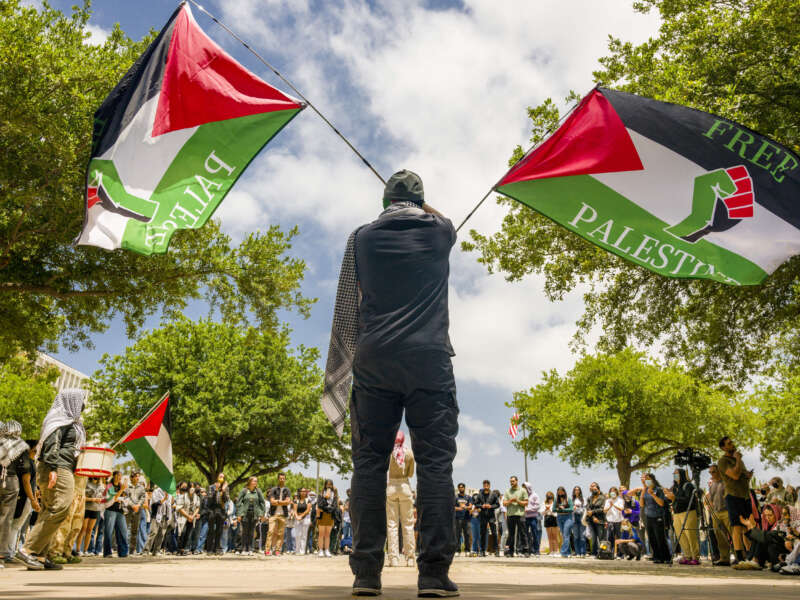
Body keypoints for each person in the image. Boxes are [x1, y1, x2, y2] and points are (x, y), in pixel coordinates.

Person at [321, 170, 459, 597]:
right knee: (435, 466)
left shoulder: (362, 238)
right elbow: (444, 219)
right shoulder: (440, 232)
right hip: (429, 360)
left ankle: (366, 575)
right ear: (421, 201)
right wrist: (419, 205)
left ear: (384, 201)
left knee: (368, 465)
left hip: (374, 359)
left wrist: (390, 210)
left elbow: (352, 296)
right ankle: (433, 576)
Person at [17, 389, 87, 571]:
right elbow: (51, 445)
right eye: (80, 401)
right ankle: (28, 550)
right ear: (71, 401)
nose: (83, 405)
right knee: (60, 507)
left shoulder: (70, 422)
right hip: (57, 468)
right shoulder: (59, 421)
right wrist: (53, 469)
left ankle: (40, 555)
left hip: (62, 467)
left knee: (49, 511)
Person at [717, 436, 753, 564]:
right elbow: (735, 475)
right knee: (737, 527)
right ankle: (739, 557)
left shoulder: (738, 461)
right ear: (723, 448)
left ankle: (750, 555)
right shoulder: (723, 461)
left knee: (747, 527)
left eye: (732, 442)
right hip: (733, 496)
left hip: (745, 496)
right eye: (729, 443)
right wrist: (738, 459)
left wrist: (748, 475)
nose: (732, 444)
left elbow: (742, 475)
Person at [0, 421, 30, 569]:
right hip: (10, 482)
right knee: (6, 519)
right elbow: (24, 468)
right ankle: (1, 555)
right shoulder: (21, 445)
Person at [5, 441, 39, 561]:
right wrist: (33, 499)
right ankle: (9, 553)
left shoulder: (27, 461)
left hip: (24, 497)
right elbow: (26, 482)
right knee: (16, 526)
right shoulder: (27, 463)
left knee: (15, 526)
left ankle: (9, 552)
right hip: (25, 498)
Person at [386, 431, 415, 567]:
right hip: (404, 486)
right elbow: (410, 473)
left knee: (392, 524)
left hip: (391, 486)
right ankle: (410, 558)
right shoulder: (409, 453)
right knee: (408, 523)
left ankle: (393, 558)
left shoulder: (389, 453)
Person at [665, 467, 700, 565]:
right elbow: (670, 500)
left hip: (688, 512)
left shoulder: (688, 485)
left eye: (677, 473)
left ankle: (695, 557)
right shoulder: (674, 487)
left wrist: (675, 497)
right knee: (681, 536)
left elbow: (689, 500)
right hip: (676, 513)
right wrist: (668, 496)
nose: (675, 475)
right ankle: (687, 556)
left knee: (690, 535)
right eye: (674, 474)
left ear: (682, 474)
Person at [638, 473, 671, 564]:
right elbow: (641, 504)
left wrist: (653, 495)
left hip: (658, 516)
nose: (646, 481)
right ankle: (657, 557)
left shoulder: (658, 489)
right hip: (648, 516)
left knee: (660, 537)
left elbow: (661, 503)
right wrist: (643, 491)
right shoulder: (645, 490)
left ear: (653, 480)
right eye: (645, 479)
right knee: (652, 538)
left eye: (648, 479)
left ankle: (666, 557)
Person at [706, 465, 732, 566]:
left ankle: (740, 556)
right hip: (716, 513)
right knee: (719, 536)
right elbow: (711, 499)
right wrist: (711, 508)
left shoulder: (726, 482)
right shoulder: (712, 484)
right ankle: (724, 558)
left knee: (733, 534)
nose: (711, 474)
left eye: (713, 472)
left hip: (726, 511)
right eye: (710, 472)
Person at [236, 476, 265, 556]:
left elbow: (262, 502)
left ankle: (250, 549)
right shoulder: (244, 491)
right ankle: (243, 549)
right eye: (254, 481)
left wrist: (262, 514)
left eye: (256, 481)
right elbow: (238, 503)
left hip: (254, 514)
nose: (255, 482)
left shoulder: (258, 491)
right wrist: (239, 514)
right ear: (250, 482)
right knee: (245, 532)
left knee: (252, 532)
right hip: (245, 514)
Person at [103, 471, 129, 558]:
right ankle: (107, 552)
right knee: (109, 532)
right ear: (113, 476)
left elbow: (125, 497)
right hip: (110, 510)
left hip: (120, 511)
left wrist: (123, 491)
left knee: (123, 531)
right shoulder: (109, 486)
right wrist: (121, 491)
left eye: (120, 476)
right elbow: (112, 498)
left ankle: (123, 552)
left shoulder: (121, 486)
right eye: (118, 475)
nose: (119, 477)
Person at [503, 476, 529, 557]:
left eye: (513, 481)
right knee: (511, 534)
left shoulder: (523, 490)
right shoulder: (507, 491)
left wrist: (517, 501)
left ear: (517, 481)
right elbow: (504, 503)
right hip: (510, 515)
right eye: (511, 481)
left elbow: (526, 503)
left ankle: (525, 550)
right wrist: (510, 501)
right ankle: (510, 551)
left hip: (520, 514)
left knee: (523, 533)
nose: (512, 483)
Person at [266, 473, 291, 556]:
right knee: (270, 531)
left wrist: (278, 501)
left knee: (281, 533)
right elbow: (272, 502)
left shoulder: (287, 490)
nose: (282, 480)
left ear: (285, 479)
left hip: (283, 514)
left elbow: (288, 502)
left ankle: (277, 550)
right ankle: (267, 550)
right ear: (278, 479)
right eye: (280, 478)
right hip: (273, 514)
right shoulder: (273, 489)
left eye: (283, 478)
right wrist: (282, 502)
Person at [205, 473, 230, 555]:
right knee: (211, 530)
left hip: (221, 510)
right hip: (212, 509)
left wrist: (223, 490)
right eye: (220, 476)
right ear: (217, 478)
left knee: (219, 531)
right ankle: (209, 549)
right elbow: (209, 500)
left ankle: (217, 548)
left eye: (223, 477)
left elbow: (226, 500)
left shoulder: (225, 488)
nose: (221, 478)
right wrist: (215, 490)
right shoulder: (211, 487)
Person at [475, 480, 500, 557]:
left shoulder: (493, 494)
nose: (485, 486)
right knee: (482, 533)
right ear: (483, 486)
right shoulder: (480, 494)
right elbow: (476, 504)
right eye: (484, 485)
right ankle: (482, 551)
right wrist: (481, 506)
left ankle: (496, 551)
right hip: (483, 516)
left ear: (489, 486)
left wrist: (491, 506)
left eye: (487, 485)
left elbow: (497, 504)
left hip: (491, 516)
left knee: (494, 533)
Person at [125, 471, 146, 554]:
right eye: (136, 476)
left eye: (138, 476)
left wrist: (138, 505)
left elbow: (143, 497)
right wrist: (132, 505)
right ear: (132, 477)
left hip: (137, 511)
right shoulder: (127, 487)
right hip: (128, 510)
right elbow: (126, 497)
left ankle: (132, 550)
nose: (137, 478)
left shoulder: (141, 487)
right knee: (126, 529)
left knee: (134, 531)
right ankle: (125, 548)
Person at [316, 479, 338, 557]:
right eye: (327, 484)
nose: (329, 486)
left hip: (330, 515)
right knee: (321, 534)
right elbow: (320, 505)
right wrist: (325, 497)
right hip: (322, 515)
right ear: (325, 485)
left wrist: (328, 509)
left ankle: (327, 550)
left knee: (327, 534)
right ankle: (320, 550)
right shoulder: (321, 494)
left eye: (330, 484)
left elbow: (334, 506)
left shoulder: (334, 495)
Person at [585, 482, 606, 556]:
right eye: (592, 489)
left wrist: (592, 512)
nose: (593, 490)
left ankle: (603, 552)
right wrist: (593, 516)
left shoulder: (603, 497)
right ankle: (594, 553)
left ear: (598, 489)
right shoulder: (590, 498)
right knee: (593, 537)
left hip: (600, 520)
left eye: (595, 489)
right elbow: (588, 507)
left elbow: (602, 509)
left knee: (601, 537)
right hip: (591, 520)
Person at [603, 486, 624, 551]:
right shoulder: (607, 500)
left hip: (618, 521)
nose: (612, 492)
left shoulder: (620, 500)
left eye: (614, 491)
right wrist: (610, 506)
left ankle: (620, 553)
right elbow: (604, 510)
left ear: (616, 492)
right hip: (610, 521)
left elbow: (621, 509)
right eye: (611, 491)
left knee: (618, 537)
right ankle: (610, 552)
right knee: (610, 537)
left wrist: (614, 505)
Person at [453, 483, 472, 558]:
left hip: (467, 518)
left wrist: (465, 507)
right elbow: (452, 507)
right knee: (457, 535)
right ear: (458, 488)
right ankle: (457, 551)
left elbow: (471, 506)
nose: (461, 488)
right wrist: (459, 508)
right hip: (458, 518)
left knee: (467, 534)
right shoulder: (455, 497)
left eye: (462, 487)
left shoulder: (468, 497)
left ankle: (467, 550)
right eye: (460, 487)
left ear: (464, 488)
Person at [554, 486, 573, 558]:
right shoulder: (556, 500)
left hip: (568, 517)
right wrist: (559, 509)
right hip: (559, 517)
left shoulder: (568, 499)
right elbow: (553, 509)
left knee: (566, 534)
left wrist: (563, 509)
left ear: (564, 492)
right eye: (559, 492)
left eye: (561, 491)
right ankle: (568, 553)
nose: (560, 493)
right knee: (564, 535)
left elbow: (571, 509)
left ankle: (563, 552)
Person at [293, 487, 312, 556]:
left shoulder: (308, 500)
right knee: (297, 535)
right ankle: (297, 550)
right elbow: (294, 510)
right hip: (297, 518)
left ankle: (302, 551)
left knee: (304, 535)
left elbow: (308, 510)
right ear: (299, 492)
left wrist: (301, 516)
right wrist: (297, 516)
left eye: (305, 491)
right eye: (302, 491)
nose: (303, 492)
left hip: (305, 518)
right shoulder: (296, 500)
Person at [571, 486, 587, 558]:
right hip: (574, 517)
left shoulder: (583, 499)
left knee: (582, 536)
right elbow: (570, 509)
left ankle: (583, 552)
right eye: (575, 490)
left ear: (580, 491)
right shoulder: (572, 499)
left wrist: (579, 508)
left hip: (581, 517)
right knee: (576, 536)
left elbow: (585, 508)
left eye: (578, 490)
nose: (576, 491)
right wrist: (573, 508)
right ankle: (577, 552)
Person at [542, 491, 559, 555]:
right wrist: (546, 510)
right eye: (548, 496)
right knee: (549, 536)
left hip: (554, 518)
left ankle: (556, 550)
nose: (549, 498)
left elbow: (556, 513)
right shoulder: (544, 503)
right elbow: (541, 512)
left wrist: (550, 510)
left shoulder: (555, 503)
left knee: (555, 536)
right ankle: (551, 550)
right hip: (547, 518)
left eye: (550, 496)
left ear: (553, 496)